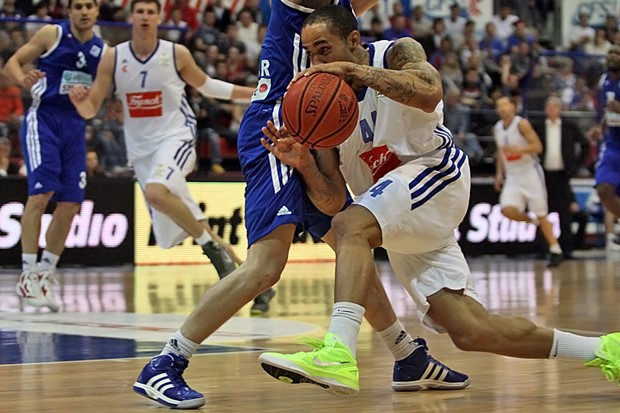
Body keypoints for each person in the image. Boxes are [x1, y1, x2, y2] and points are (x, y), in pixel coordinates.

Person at [256, 5, 620, 396]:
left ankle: (338, 352)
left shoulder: (395, 53)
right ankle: (605, 348)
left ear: (354, 40)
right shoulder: (322, 108)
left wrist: (356, 73)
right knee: (469, 329)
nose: (317, 61)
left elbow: (430, 93)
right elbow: (329, 202)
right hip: (395, 209)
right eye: (310, 53)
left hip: (433, 173)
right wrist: (306, 165)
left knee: (350, 225)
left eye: (324, 49)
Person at [126, 0, 468, 409]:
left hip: (310, 127)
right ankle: (166, 362)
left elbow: (338, 199)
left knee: (350, 248)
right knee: (266, 265)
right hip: (278, 127)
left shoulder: (338, 11)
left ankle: (407, 356)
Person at [68, 0, 273, 311]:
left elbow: (208, 86)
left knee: (156, 192)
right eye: (140, 11)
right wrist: (78, 100)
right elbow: (91, 106)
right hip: (141, 152)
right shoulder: (114, 57)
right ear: (130, 17)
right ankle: (257, 287)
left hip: (176, 137)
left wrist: (258, 93)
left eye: (151, 11)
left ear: (159, 17)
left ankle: (216, 257)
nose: (145, 17)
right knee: (192, 224)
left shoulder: (175, 53)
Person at [4, 0, 104, 312]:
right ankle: (27, 273)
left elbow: (100, 92)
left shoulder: (102, 50)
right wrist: (23, 79)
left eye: (89, 6)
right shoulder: (51, 34)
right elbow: (11, 64)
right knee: (41, 193)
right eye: (78, 6)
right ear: (70, 11)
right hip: (43, 119)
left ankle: (46, 274)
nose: (84, 11)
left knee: (72, 202)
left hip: (75, 126)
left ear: (97, 11)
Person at [493, 95, 564, 267]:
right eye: (498, 106)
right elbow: (501, 153)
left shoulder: (521, 124)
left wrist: (520, 149)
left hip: (529, 172)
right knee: (506, 210)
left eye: (505, 104)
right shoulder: (497, 128)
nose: (502, 108)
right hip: (512, 175)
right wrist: (499, 174)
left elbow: (538, 147)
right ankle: (533, 222)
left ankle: (555, 249)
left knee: (541, 211)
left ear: (513, 107)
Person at [532, 96, 590, 258]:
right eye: (548, 107)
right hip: (543, 175)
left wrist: (575, 165)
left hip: (563, 174)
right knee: (542, 211)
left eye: (554, 107)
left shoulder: (569, 125)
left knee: (564, 213)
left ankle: (567, 249)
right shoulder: (538, 126)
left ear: (559, 109)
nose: (550, 110)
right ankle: (542, 248)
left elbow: (585, 144)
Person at [595, 44, 620, 251]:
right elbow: (606, 109)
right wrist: (599, 125)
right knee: (603, 189)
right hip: (612, 143)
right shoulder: (604, 80)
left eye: (617, 53)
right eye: (610, 52)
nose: (612, 56)